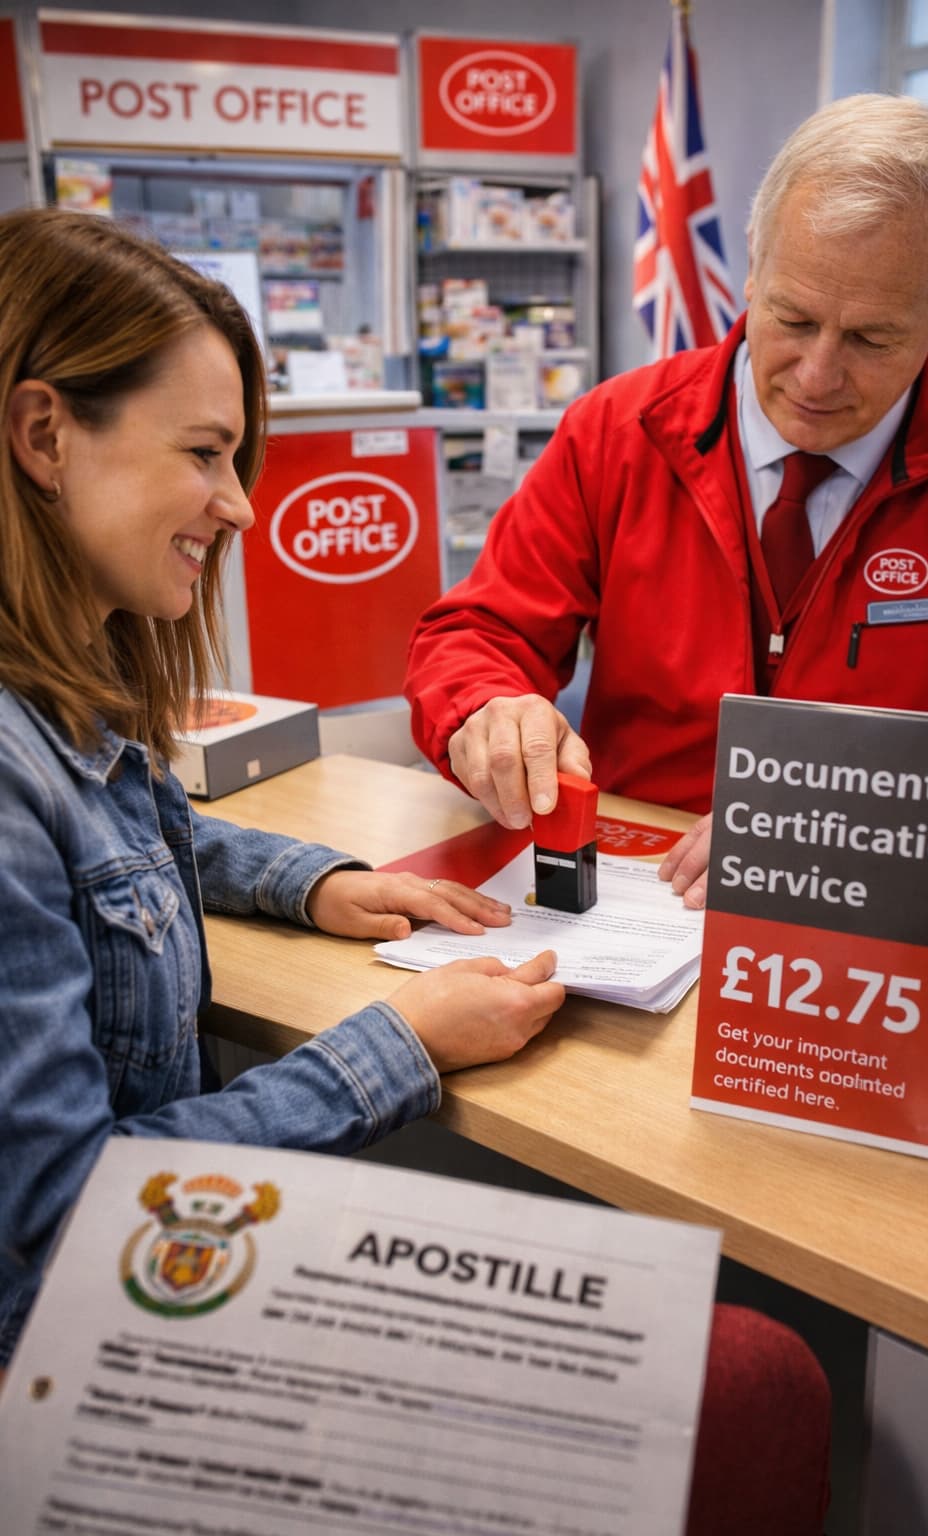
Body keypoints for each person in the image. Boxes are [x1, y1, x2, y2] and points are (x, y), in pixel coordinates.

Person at [0, 210, 830, 1536]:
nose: (241, 504)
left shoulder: (65, 694)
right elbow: (66, 1226)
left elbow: (120, 842)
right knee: (750, 1387)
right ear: (44, 436)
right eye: (205, 455)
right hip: (81, 1344)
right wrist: (403, 1042)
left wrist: (315, 882)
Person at [405, 93, 928, 907]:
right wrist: (486, 708)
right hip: (636, 885)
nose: (816, 376)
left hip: (874, 894)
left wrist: (850, 820)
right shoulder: (617, 430)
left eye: (872, 339)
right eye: (791, 318)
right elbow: (481, 631)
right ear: (754, 271)